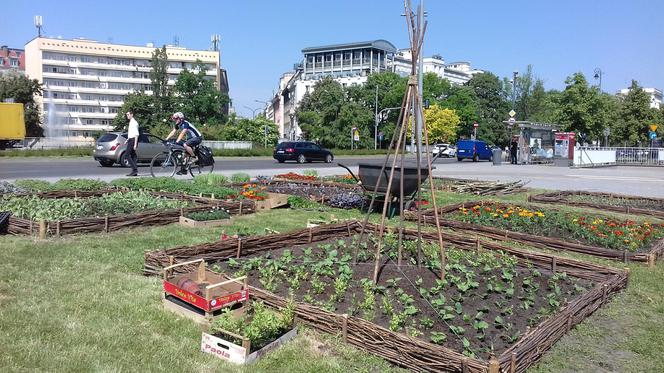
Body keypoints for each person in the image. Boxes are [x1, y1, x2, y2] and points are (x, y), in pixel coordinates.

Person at [125, 110, 139, 176]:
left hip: (133, 140)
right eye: (126, 115)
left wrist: (135, 144)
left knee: (127, 155)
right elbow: (131, 133)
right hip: (130, 139)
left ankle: (135, 169)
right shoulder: (131, 122)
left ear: (132, 115)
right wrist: (127, 140)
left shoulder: (134, 123)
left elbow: (136, 134)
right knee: (133, 156)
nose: (127, 116)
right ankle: (134, 172)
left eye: (128, 114)